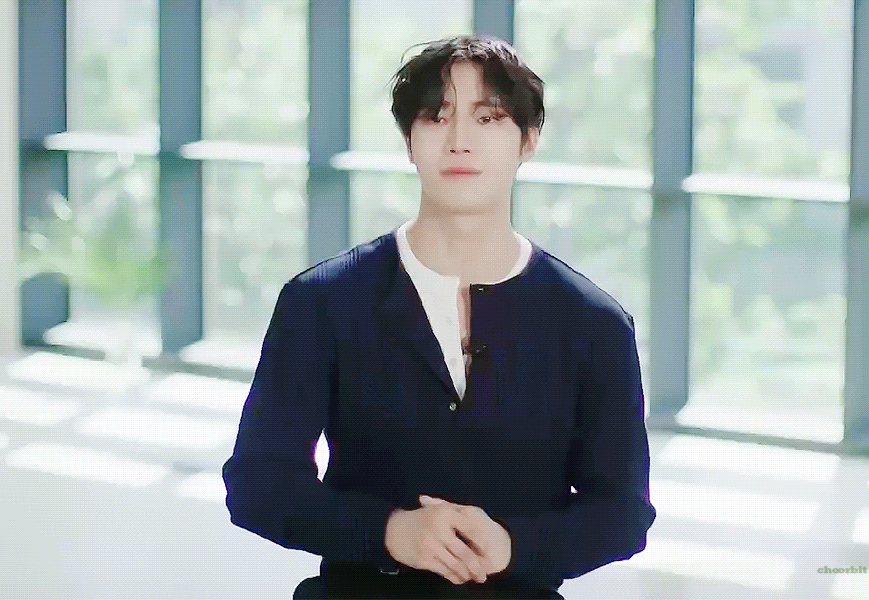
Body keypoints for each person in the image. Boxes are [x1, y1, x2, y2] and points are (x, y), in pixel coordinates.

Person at [222, 34, 656, 600]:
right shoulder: (323, 301)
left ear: (528, 141)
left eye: (488, 119)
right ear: (409, 141)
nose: (459, 142)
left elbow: (622, 513)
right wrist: (390, 532)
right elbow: (257, 483)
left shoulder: (593, 323)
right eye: (436, 117)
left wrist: (514, 546)